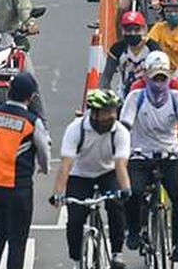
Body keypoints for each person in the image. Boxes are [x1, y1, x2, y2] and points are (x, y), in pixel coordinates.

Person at [121, 52, 178, 260]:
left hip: (169, 155)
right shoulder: (136, 96)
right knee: (133, 191)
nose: (159, 82)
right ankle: (134, 230)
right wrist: (121, 149)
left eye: (163, 77)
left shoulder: (177, 97)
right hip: (140, 155)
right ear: (146, 76)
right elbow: (124, 126)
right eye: (155, 77)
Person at [0, 72, 49, 269]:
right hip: (19, 189)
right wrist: (44, 168)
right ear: (31, 97)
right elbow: (43, 151)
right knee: (17, 242)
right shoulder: (32, 122)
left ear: (9, 90)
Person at [52, 89, 130, 269]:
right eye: (106, 112)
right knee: (75, 218)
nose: (111, 116)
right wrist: (57, 194)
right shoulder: (76, 129)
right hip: (80, 176)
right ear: (93, 112)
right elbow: (65, 165)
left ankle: (117, 252)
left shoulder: (120, 132)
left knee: (116, 207)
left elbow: (120, 164)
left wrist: (126, 190)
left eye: (113, 111)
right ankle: (76, 259)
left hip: (108, 173)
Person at [102, 10, 163, 95]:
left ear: (145, 29)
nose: (132, 33)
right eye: (128, 30)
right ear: (122, 30)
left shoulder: (153, 48)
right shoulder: (117, 49)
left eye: (137, 29)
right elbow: (106, 77)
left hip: (149, 96)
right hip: (124, 98)